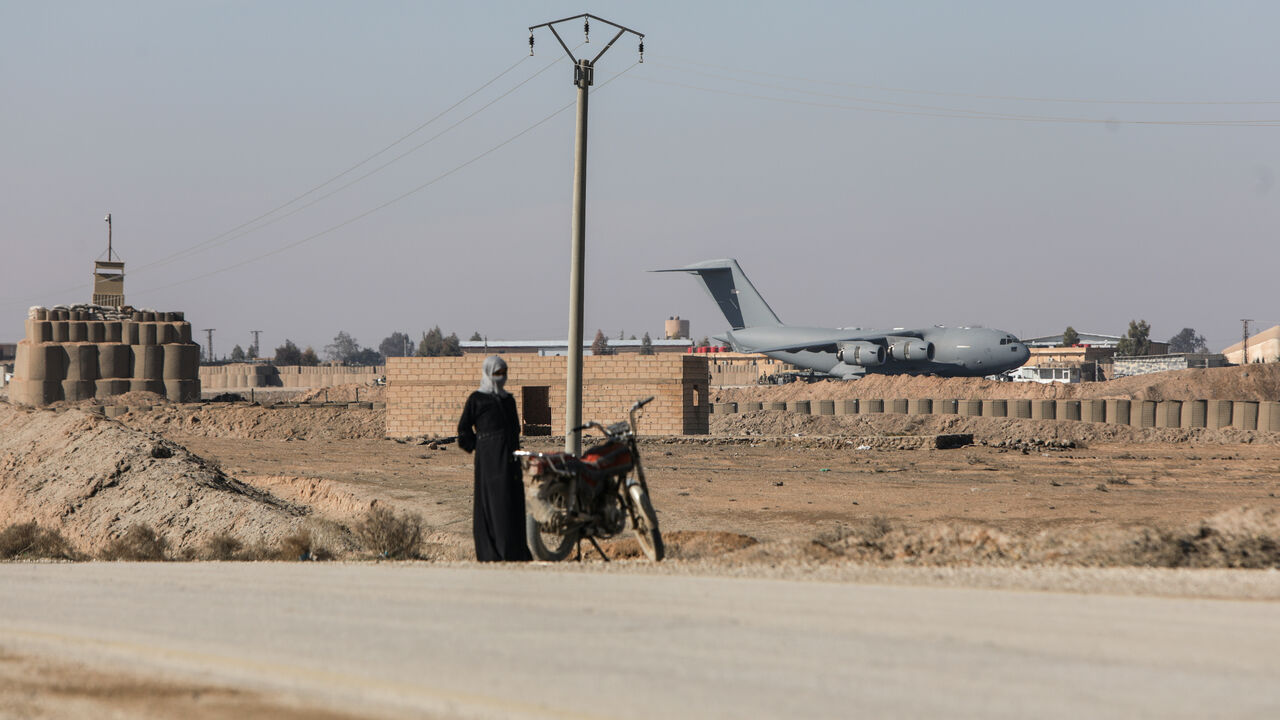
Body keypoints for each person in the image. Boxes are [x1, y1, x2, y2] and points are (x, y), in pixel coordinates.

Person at [457, 356, 532, 562]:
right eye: (497, 373)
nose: (501, 378)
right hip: (489, 461)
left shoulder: (509, 400)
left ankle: (514, 551)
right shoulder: (477, 399)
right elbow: (464, 430)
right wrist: (480, 447)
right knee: (492, 503)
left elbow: (515, 429)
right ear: (488, 374)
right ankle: (492, 552)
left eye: (504, 373)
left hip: (510, 458)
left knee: (511, 502)